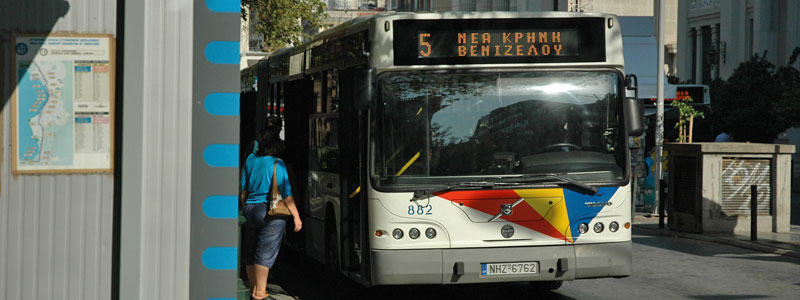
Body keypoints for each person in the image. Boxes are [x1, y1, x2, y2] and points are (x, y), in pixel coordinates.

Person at [240, 129, 302, 300]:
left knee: (250, 253)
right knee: (264, 254)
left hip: (249, 211)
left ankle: (254, 289)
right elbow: (287, 194)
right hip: (269, 212)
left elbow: (243, 192)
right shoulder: (278, 163)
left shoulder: (250, 160)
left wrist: (245, 208)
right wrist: (296, 217)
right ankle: (260, 293)